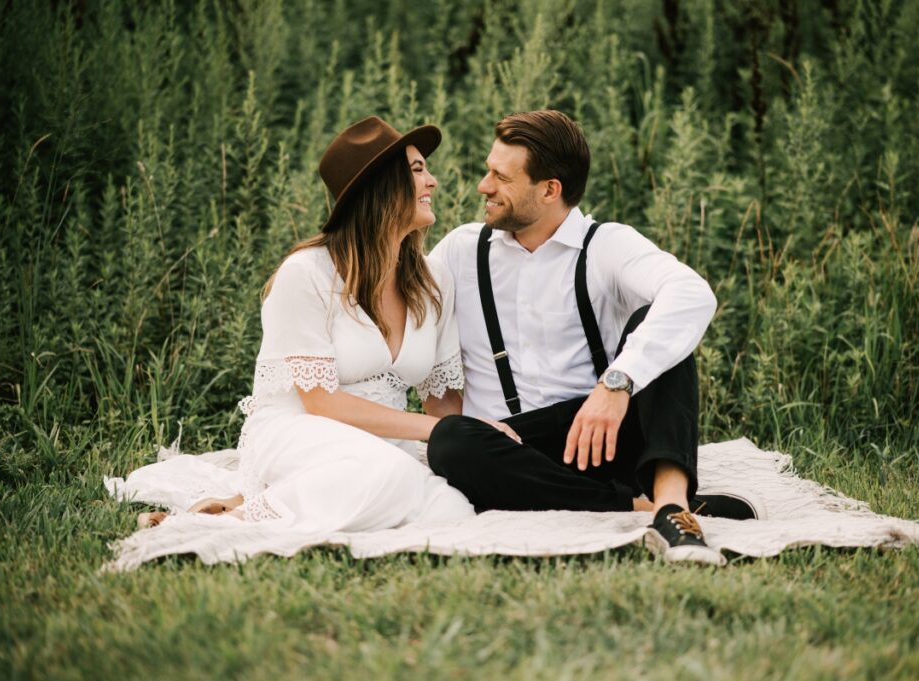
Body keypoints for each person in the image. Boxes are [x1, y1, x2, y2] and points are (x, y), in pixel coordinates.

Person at [425, 110, 761, 565]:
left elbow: (692, 293)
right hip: (509, 446)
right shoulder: (463, 250)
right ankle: (643, 507)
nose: (483, 186)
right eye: (489, 170)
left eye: (500, 177)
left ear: (549, 190)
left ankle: (673, 506)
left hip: (603, 438)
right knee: (448, 441)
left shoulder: (606, 245)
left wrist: (616, 383)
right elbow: (402, 309)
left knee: (658, 326)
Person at [140, 116, 476, 531]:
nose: (433, 181)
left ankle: (258, 504)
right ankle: (232, 520)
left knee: (451, 509)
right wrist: (439, 429)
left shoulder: (433, 280)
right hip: (302, 430)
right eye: (418, 170)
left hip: (388, 442)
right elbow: (321, 402)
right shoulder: (307, 274)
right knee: (391, 476)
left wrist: (472, 438)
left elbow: (440, 399)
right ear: (380, 188)